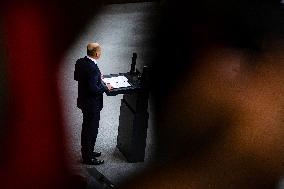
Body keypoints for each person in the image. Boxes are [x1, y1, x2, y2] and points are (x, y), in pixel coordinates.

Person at [74, 42, 113, 165]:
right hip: (92, 105)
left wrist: (97, 78)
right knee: (91, 129)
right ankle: (88, 157)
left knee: (87, 128)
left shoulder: (80, 62)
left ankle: (88, 151)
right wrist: (106, 87)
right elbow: (93, 89)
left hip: (84, 101)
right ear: (96, 53)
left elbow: (77, 77)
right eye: (100, 51)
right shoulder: (92, 68)